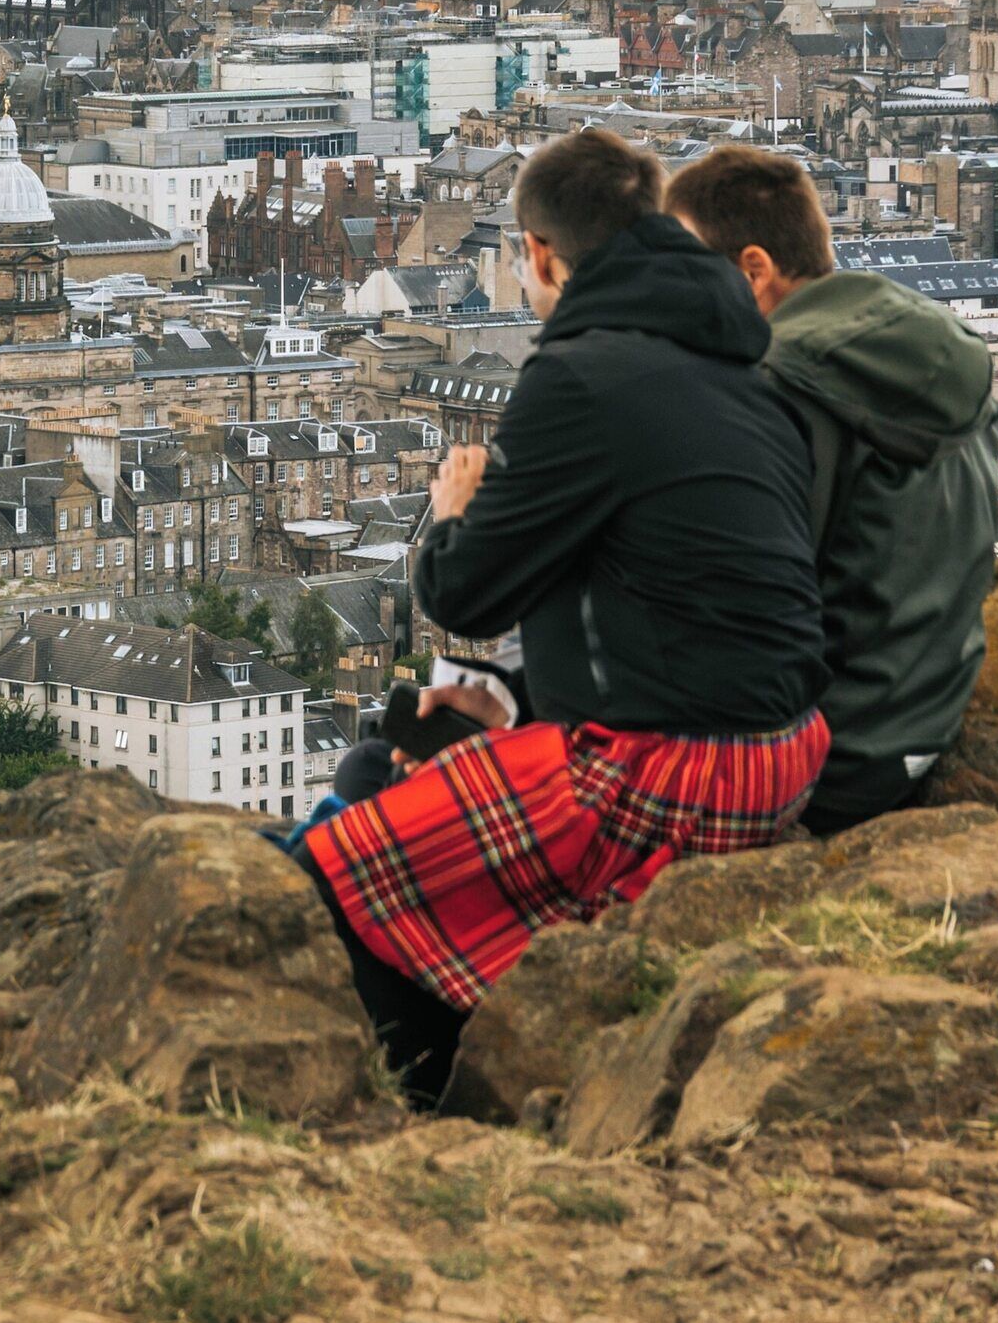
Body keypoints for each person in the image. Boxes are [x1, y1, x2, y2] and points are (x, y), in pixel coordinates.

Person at [293, 128, 830, 1106]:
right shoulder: (748, 376)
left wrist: (454, 513)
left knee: (333, 870)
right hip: (785, 753)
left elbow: (463, 598)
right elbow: (682, 596)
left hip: (673, 765)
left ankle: (435, 1103)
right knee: (394, 759)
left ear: (538, 254)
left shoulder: (577, 375)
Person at [665, 144, 998, 834]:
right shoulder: (929, 341)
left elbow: (747, 613)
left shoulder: (780, 384)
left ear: (753, 271)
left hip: (832, 762)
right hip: (924, 721)